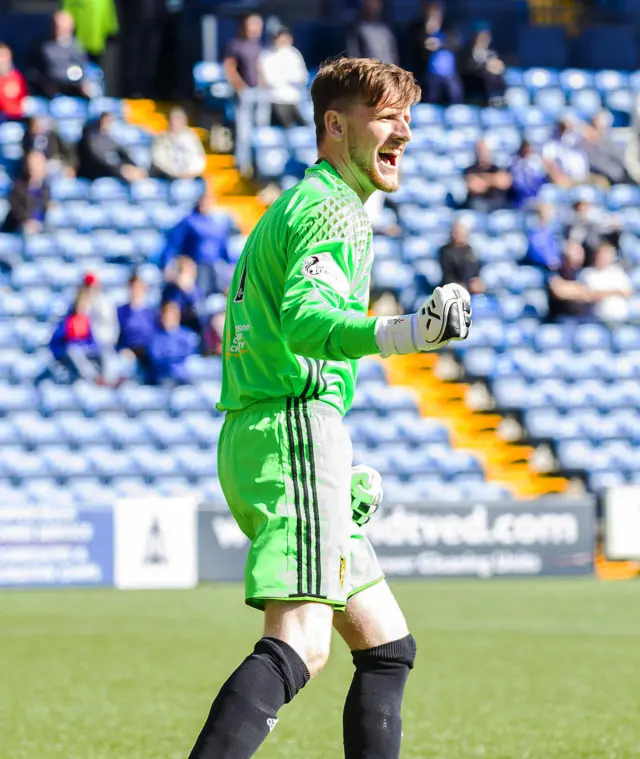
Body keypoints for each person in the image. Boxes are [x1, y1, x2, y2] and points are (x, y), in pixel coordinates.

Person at [185, 57, 471, 759]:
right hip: (292, 425)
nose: (404, 126)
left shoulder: (297, 205)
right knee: (302, 645)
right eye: (386, 114)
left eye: (408, 114)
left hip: (275, 428)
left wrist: (333, 476)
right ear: (335, 126)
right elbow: (308, 321)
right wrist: (411, 332)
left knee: (388, 646)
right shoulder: (334, 207)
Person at [160, 188, 231, 297]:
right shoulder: (189, 221)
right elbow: (173, 244)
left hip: (215, 267)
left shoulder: (217, 223)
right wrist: (166, 265)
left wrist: (230, 266)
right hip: (196, 267)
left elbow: (224, 248)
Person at [224, 14, 266, 176]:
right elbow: (229, 67)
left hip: (260, 94)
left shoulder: (259, 46)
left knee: (260, 132)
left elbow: (260, 68)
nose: (256, 29)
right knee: (244, 133)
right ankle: (243, 167)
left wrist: (263, 85)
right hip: (245, 94)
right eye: (252, 25)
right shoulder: (234, 45)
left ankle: (259, 167)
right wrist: (240, 86)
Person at [28, 10, 92, 99]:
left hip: (74, 88)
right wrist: (43, 82)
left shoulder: (77, 46)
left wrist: (84, 83)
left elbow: (84, 67)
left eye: (62, 26)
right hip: (50, 90)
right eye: (55, 25)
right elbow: (33, 71)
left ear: (71, 27)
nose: (58, 28)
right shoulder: (42, 46)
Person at [410, 1, 462, 105]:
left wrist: (440, 44)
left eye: (436, 10)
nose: (434, 13)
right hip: (428, 75)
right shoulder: (417, 26)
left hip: (449, 74)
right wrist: (429, 31)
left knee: (455, 100)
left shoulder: (449, 26)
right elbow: (417, 45)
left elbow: (456, 43)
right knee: (430, 103)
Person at [48, 287, 104, 383]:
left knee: (105, 350)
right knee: (74, 350)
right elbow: (56, 343)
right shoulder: (67, 321)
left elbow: (92, 341)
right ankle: (92, 378)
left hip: (85, 350)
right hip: (70, 353)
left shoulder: (86, 321)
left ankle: (108, 377)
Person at [259, 27, 308, 129]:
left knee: (304, 128)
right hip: (276, 101)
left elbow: (302, 76)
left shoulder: (294, 54)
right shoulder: (266, 55)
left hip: (295, 100)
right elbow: (268, 79)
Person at [77, 111, 147, 182]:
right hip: (95, 173)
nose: (108, 123)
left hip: (112, 170)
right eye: (106, 120)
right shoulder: (90, 138)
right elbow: (99, 160)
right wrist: (120, 169)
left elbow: (122, 152)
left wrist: (134, 166)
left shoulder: (107, 137)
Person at [146, 300, 198, 386]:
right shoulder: (155, 338)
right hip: (164, 377)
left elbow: (191, 356)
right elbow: (156, 359)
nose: (166, 320)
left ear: (177, 317)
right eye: (165, 317)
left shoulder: (187, 335)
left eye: (170, 317)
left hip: (185, 376)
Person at [579, 241, 633, 323]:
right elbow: (589, 295)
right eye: (602, 254)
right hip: (598, 320)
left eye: (607, 255)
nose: (604, 258)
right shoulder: (587, 274)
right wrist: (617, 292)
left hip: (621, 319)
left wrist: (604, 293)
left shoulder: (618, 272)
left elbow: (628, 292)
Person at [151, 106, 207, 180]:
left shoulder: (191, 137)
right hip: (169, 178)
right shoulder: (162, 138)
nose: (175, 123)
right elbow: (159, 160)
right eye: (173, 120)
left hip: (190, 176)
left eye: (178, 120)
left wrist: (190, 172)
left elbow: (199, 157)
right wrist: (176, 173)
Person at [2, 151, 50, 235]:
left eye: (37, 165)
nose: (33, 168)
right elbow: (16, 209)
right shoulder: (18, 186)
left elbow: (44, 207)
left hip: (41, 226)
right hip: (20, 226)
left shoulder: (46, 187)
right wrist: (27, 221)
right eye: (31, 165)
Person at [577, 111, 630, 186]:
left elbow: (623, 162)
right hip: (602, 178)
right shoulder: (583, 145)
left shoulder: (610, 141)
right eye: (593, 125)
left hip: (621, 176)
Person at [546, 241, 593, 323]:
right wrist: (579, 290)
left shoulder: (582, 273)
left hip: (583, 318)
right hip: (561, 319)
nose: (577, 258)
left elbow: (590, 294)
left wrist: (571, 289)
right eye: (574, 254)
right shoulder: (555, 272)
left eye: (579, 254)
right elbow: (559, 292)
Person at [459, 25, 506, 107]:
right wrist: (484, 66)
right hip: (472, 89)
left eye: (486, 37)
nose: (484, 40)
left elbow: (499, 68)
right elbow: (466, 69)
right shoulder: (466, 53)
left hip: (488, 92)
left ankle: (497, 97)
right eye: (481, 37)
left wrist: (497, 68)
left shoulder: (491, 53)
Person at [116, 272, 156, 366]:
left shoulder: (151, 313)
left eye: (138, 287)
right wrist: (123, 349)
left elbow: (154, 336)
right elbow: (117, 337)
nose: (135, 291)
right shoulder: (120, 311)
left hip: (147, 352)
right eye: (133, 287)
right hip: (127, 352)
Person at [464, 139, 512, 212]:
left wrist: (484, 178)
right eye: (480, 151)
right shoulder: (470, 169)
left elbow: (505, 183)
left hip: (498, 203)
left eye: (485, 151)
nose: (482, 154)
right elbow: (476, 187)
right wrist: (494, 180)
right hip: (480, 204)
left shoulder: (497, 168)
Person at [346, 0, 399, 65]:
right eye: (370, 2)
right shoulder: (356, 31)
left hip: (389, 72)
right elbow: (353, 58)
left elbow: (393, 56)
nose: (374, 5)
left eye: (377, 2)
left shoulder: (385, 30)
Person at [438, 219, 484, 293]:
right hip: (451, 288)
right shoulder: (445, 251)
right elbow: (448, 275)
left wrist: (476, 282)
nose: (459, 235)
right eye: (457, 233)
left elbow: (475, 272)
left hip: (469, 287)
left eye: (462, 233)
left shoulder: (471, 251)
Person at [541, 117, 590, 187]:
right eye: (562, 126)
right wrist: (559, 178)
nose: (565, 128)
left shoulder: (575, 137)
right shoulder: (551, 143)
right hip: (566, 181)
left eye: (567, 126)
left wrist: (576, 126)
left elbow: (593, 137)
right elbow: (548, 163)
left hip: (583, 179)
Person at [161, 255, 203, 335]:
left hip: (192, 326)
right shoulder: (170, 290)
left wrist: (187, 290)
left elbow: (198, 308)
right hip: (173, 327)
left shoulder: (195, 290)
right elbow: (167, 308)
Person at [509, 139, 548, 208]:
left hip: (537, 195)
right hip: (520, 198)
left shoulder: (537, 162)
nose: (527, 151)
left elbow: (541, 179)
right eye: (525, 149)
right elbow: (517, 183)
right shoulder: (513, 162)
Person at [526, 203, 562, 271]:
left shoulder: (552, 232)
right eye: (548, 213)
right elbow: (539, 255)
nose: (551, 216)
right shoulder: (536, 233)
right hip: (542, 269)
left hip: (555, 267)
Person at [0, 43, 28, 121]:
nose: (2, 60)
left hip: (20, 115)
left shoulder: (17, 75)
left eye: (4, 56)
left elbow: (23, 96)